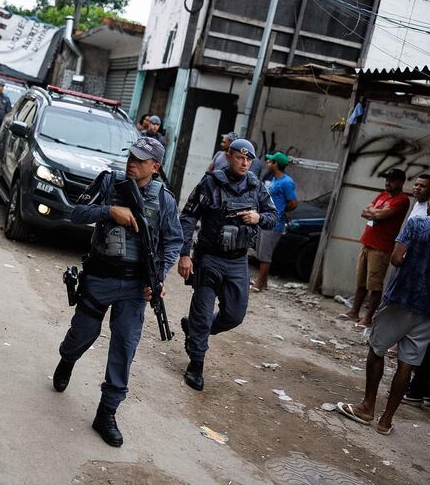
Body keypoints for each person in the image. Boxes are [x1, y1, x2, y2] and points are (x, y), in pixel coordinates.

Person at [52, 137, 183, 447]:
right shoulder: (109, 181)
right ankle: (68, 358)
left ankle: (107, 412)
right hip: (100, 276)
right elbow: (76, 213)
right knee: (82, 334)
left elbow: (172, 242)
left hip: (135, 287)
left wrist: (159, 277)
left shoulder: (164, 199)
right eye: (131, 157)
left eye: (140, 160)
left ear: (156, 166)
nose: (132, 163)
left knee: (124, 347)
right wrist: (110, 211)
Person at [178, 139, 278, 391]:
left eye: (249, 159)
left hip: (238, 261)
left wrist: (258, 217)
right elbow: (188, 216)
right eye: (240, 158)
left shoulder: (256, 187)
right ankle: (196, 364)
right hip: (209, 258)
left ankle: (195, 330)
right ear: (229, 157)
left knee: (234, 315)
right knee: (202, 313)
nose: (244, 163)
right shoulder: (210, 182)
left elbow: (273, 217)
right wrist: (184, 254)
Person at [337, 205, 430, 435]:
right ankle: (386, 421)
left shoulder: (417, 224)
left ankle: (367, 407)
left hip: (401, 297)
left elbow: (396, 258)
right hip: (427, 309)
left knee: (377, 349)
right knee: (407, 363)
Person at [343, 168, 410, 327]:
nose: (388, 183)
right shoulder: (383, 195)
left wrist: (375, 212)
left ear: (400, 182)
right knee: (361, 281)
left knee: (375, 284)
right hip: (367, 242)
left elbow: (379, 215)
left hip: (381, 247)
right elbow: (364, 212)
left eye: (392, 180)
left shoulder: (402, 200)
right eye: (387, 179)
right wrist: (376, 212)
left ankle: (368, 319)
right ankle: (354, 312)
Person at [251, 152, 298, 291]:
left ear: (276, 164)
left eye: (271, 161)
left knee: (265, 255)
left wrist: (281, 211)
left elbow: (293, 203)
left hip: (274, 224)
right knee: (261, 253)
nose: (268, 163)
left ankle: (259, 284)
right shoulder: (275, 179)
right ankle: (263, 282)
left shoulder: (286, 182)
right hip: (266, 220)